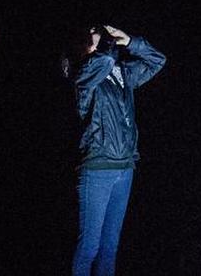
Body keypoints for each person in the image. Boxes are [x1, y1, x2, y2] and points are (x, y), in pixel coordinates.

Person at [68, 24, 166, 276]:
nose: (98, 31)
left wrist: (132, 41)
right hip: (98, 167)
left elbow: (157, 60)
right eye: (92, 31)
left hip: (125, 167)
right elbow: (100, 62)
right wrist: (107, 44)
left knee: (110, 247)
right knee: (89, 246)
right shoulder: (82, 73)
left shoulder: (122, 72)